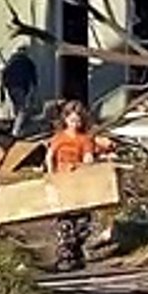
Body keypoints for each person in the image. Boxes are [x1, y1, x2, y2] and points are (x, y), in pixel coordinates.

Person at [45, 99, 98, 272]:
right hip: (62, 182)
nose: (75, 124)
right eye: (72, 120)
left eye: (78, 121)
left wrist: (87, 162)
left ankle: (77, 252)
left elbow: (88, 157)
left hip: (80, 183)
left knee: (82, 222)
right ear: (66, 119)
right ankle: (64, 255)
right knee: (65, 222)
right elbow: (50, 156)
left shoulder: (85, 139)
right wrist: (51, 175)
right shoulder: (59, 138)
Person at [1, 46, 38, 137]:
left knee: (17, 108)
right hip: (20, 87)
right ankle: (16, 130)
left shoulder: (11, 61)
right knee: (22, 109)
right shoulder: (27, 61)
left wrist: (3, 90)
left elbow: (4, 75)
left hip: (11, 87)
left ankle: (18, 128)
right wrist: (34, 88)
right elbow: (33, 76)